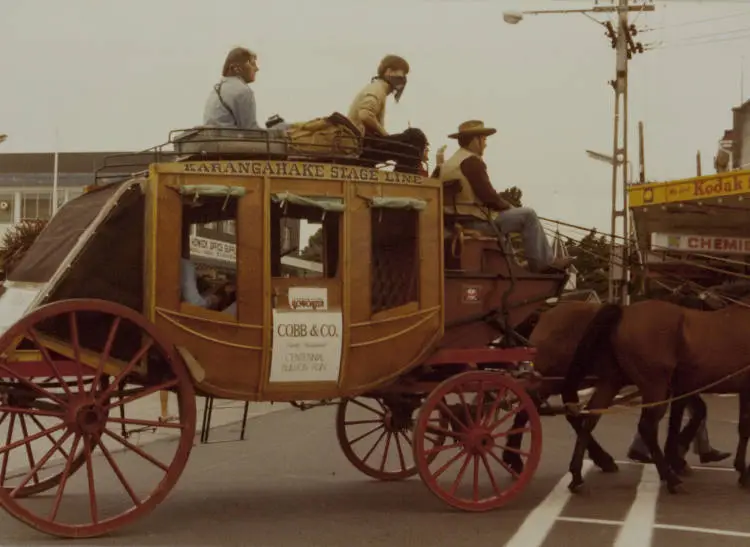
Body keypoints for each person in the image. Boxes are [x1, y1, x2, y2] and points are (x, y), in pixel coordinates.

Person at [434, 120, 573, 273]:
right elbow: (490, 197)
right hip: (475, 223)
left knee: (509, 218)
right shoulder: (472, 162)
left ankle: (512, 265)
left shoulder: (445, 166)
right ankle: (543, 264)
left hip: (453, 224)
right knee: (528, 215)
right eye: (484, 139)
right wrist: (509, 208)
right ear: (475, 140)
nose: (486, 144)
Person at [346, 54, 426, 173]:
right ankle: (403, 178)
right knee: (415, 136)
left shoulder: (377, 88)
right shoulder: (377, 89)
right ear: (388, 72)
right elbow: (365, 114)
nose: (403, 78)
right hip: (362, 145)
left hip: (363, 144)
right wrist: (385, 135)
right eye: (401, 74)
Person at [203, 46, 288, 136]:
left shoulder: (218, 88)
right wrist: (279, 131)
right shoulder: (243, 91)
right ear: (236, 68)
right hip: (231, 142)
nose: (256, 69)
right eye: (252, 64)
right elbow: (251, 133)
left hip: (216, 140)